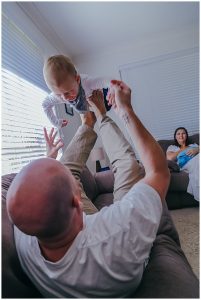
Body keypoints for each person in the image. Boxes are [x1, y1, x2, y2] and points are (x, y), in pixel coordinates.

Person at [6, 81, 170, 298]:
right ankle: (101, 116)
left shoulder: (24, 232)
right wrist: (126, 110)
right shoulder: (121, 228)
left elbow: (33, 191)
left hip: (82, 238)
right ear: (76, 202)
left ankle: (87, 123)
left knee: (65, 170)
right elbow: (158, 171)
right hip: (113, 247)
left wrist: (49, 158)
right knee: (128, 165)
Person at [42, 54, 112, 128]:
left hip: (101, 97)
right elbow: (45, 105)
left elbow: (105, 80)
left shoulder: (86, 82)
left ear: (77, 79)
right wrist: (56, 122)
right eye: (58, 94)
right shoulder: (59, 95)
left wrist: (114, 88)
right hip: (88, 106)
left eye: (68, 92)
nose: (65, 98)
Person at [166, 127, 199, 201]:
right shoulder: (172, 147)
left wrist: (197, 149)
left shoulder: (193, 145)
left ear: (186, 135)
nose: (181, 135)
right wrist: (183, 148)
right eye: (178, 134)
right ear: (175, 137)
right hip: (186, 164)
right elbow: (170, 158)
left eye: (183, 133)